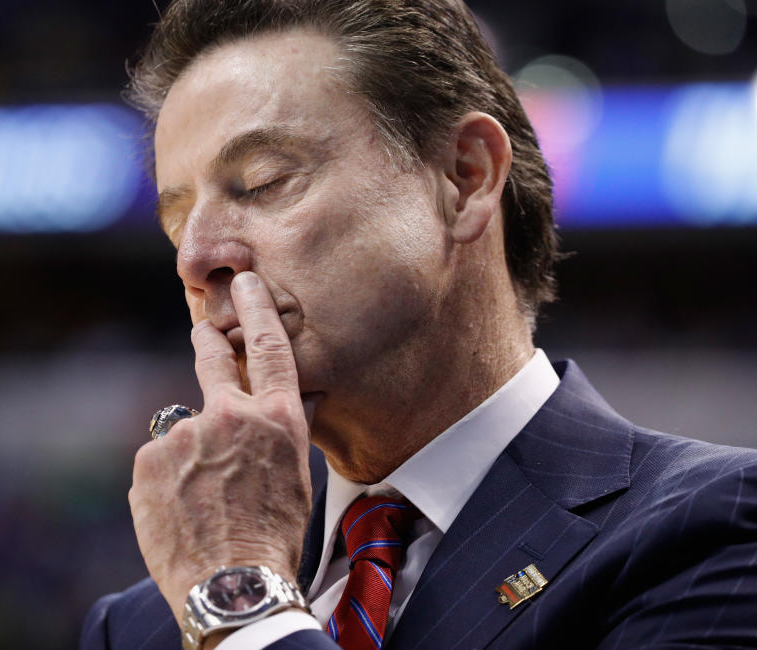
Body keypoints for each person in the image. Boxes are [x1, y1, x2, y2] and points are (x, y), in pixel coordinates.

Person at [81, 1, 757, 648]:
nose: (197, 259)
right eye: (175, 223)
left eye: (262, 182)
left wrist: (243, 602)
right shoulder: (137, 628)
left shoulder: (713, 530)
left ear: (464, 177)